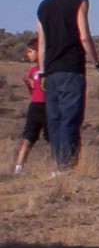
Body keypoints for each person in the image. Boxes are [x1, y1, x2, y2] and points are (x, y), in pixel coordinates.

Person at [36, 0, 99, 173]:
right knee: (71, 118)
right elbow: (84, 36)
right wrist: (97, 63)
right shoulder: (80, 1)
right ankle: (67, 167)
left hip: (50, 71)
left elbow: (41, 42)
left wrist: (42, 71)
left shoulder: (43, 6)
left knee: (55, 119)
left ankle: (57, 167)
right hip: (72, 68)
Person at [13, 38, 48, 175]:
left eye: (30, 51)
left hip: (48, 106)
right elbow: (34, 91)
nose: (28, 55)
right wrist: (28, 83)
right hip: (35, 106)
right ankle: (18, 169)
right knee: (28, 138)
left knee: (52, 138)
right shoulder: (32, 70)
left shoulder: (48, 69)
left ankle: (58, 167)